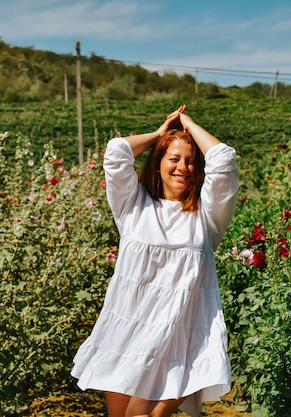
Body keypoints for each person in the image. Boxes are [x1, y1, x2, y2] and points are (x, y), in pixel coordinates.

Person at [71, 104, 239, 417]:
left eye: (190, 161)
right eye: (173, 158)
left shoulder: (208, 216)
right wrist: (160, 134)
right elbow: (116, 152)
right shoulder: (134, 207)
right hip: (128, 334)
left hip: (176, 342)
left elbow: (224, 159)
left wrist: (188, 123)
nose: (183, 167)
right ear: (158, 163)